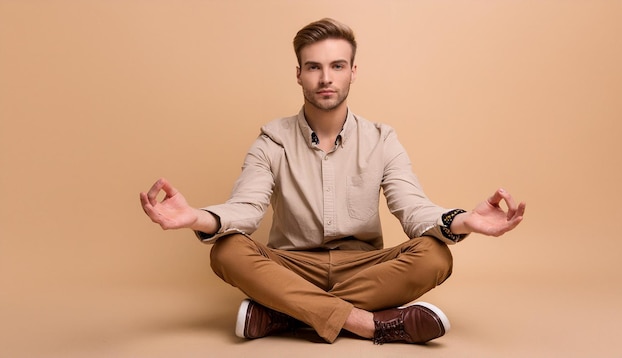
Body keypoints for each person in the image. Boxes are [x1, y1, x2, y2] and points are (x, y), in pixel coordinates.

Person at [140, 18, 525, 345]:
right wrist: (194, 217)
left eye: (338, 66)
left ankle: (284, 314)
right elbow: (246, 209)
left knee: (436, 255)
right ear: (299, 74)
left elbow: (413, 209)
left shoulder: (381, 139)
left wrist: (464, 222)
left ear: (353, 72)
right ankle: (368, 323)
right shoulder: (272, 140)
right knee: (226, 251)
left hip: (364, 266)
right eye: (314, 67)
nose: (326, 78)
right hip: (291, 266)